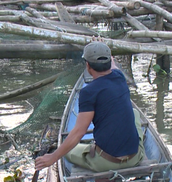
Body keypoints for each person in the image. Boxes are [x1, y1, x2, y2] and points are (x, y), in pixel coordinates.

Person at [34, 41, 144, 172]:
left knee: (68, 151)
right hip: (135, 157)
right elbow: (113, 64)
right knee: (135, 113)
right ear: (109, 61)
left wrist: (53, 157)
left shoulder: (88, 92)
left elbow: (79, 132)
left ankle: (96, 161)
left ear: (88, 65)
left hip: (106, 163)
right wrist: (102, 47)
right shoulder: (119, 77)